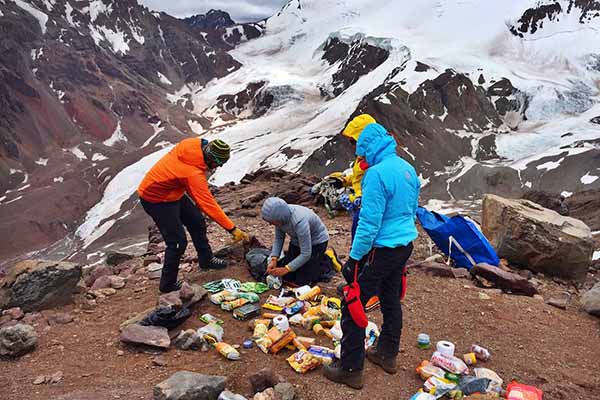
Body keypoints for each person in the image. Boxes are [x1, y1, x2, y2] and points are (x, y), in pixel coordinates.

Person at [323, 123, 420, 389]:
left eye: (360, 151)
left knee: (352, 302)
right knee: (390, 298)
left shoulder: (376, 175)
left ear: (367, 148)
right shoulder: (407, 169)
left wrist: (354, 259)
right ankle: (387, 355)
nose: (359, 156)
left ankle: (350, 369)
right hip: (404, 245)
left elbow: (369, 223)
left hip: (381, 248)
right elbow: (412, 211)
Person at [138, 137, 249, 293]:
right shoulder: (192, 173)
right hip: (156, 199)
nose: (218, 167)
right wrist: (232, 229)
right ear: (211, 159)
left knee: (196, 221)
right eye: (218, 164)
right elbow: (207, 204)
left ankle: (206, 259)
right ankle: (167, 285)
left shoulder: (195, 145)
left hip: (173, 192)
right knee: (177, 242)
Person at [261, 197, 331, 286]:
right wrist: (274, 259)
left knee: (303, 281)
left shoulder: (299, 221)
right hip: (296, 241)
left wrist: (285, 269)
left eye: (271, 221)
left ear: (279, 217)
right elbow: (279, 239)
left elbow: (306, 254)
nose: (270, 224)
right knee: (288, 277)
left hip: (317, 243)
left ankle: (326, 260)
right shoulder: (280, 218)